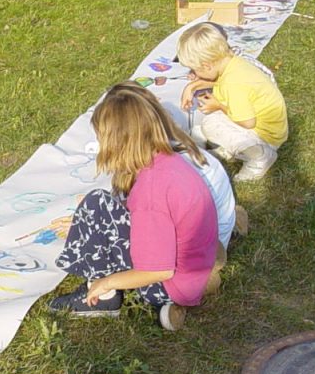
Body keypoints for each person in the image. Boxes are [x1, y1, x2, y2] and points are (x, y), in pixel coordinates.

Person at [49, 83, 219, 331]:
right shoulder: (168, 161)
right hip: (196, 270)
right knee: (105, 206)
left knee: (96, 204)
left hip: (168, 286)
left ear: (117, 143)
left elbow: (158, 271)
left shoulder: (150, 191)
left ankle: (104, 299)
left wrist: (107, 283)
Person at [178, 22, 288, 181]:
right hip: (271, 128)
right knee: (207, 125)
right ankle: (231, 149)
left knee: (210, 124)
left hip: (266, 136)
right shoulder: (233, 63)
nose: (195, 74)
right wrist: (192, 86)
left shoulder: (233, 83)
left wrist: (218, 106)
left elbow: (248, 122)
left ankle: (260, 157)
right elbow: (219, 82)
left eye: (195, 70)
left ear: (207, 66)